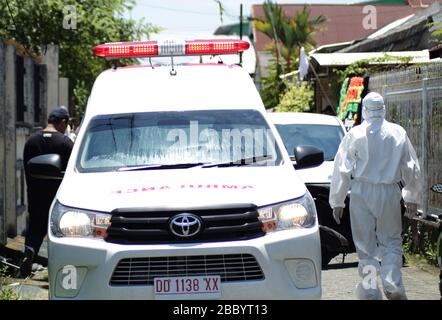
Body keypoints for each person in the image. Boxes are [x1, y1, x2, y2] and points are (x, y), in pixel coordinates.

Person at [329, 92, 422, 300]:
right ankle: (393, 283)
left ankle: (370, 292)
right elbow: (411, 167)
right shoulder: (397, 132)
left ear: (364, 109)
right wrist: (411, 196)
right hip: (389, 192)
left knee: (365, 246)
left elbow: (342, 168)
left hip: (361, 192)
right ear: (383, 108)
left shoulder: (355, 134)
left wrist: (337, 200)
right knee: (391, 241)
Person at [19, 107, 74, 278]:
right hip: (58, 199)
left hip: (35, 195)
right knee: (61, 232)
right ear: (63, 122)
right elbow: (73, 172)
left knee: (35, 228)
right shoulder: (65, 143)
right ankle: (62, 267)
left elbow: (26, 171)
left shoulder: (31, 142)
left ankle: (29, 253)